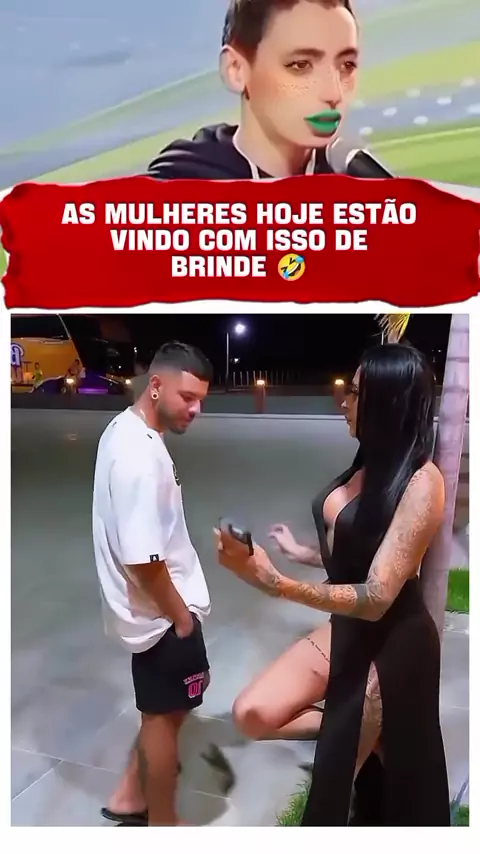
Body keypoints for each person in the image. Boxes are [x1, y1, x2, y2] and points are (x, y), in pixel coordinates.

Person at [215, 343, 451, 826]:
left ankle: (364, 731)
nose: (344, 401)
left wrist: (277, 583)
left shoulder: (422, 482)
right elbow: (360, 543)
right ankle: (369, 732)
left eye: (356, 393)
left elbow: (377, 597)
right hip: (345, 628)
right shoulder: (369, 461)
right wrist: (304, 553)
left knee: (332, 788)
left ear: (388, 401)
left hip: (393, 645)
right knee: (252, 714)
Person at [92, 341, 213, 826]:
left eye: (201, 399)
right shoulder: (141, 457)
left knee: (171, 707)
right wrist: (181, 619)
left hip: (153, 610)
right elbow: (143, 561)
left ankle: (128, 795)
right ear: (156, 385)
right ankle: (162, 823)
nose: (196, 409)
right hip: (163, 614)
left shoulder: (123, 430)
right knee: (163, 719)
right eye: (188, 397)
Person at [147, 0, 357, 180]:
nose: (333, 94)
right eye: (300, 65)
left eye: (346, 66)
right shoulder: (176, 192)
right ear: (236, 70)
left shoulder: (356, 184)